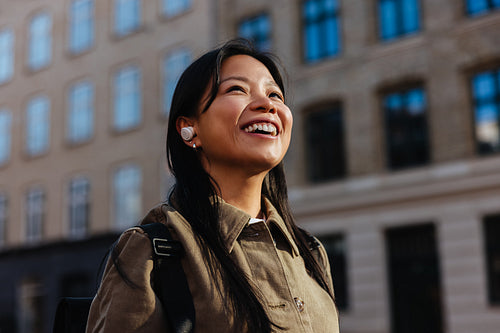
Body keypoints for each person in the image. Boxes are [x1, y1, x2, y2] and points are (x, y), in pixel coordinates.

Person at [86, 39, 339, 333]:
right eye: (237, 89)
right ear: (188, 129)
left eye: (275, 95)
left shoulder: (311, 252)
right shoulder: (154, 251)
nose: (267, 104)